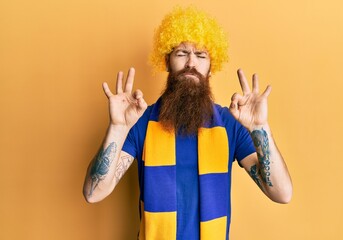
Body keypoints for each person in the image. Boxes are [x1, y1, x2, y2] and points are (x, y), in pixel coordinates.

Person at [83, 6, 292, 240]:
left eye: (201, 55)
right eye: (181, 53)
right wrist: (118, 128)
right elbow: (94, 193)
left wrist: (260, 128)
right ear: (167, 61)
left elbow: (282, 193)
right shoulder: (140, 122)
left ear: (211, 68)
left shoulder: (230, 124)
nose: (191, 62)